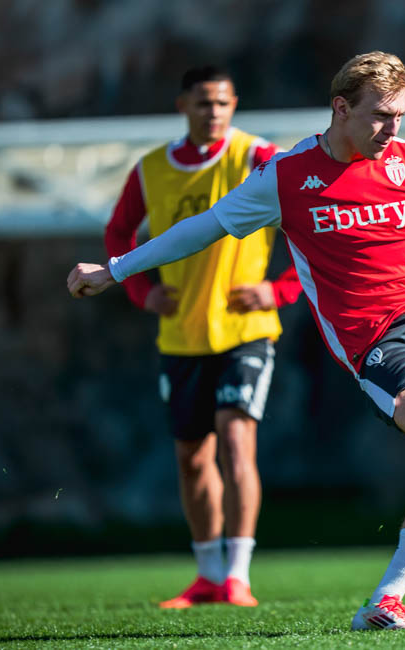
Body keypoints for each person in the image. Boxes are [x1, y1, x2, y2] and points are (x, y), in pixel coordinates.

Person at [68, 51, 405, 631]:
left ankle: (385, 602)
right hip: (374, 334)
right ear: (341, 108)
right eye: (381, 116)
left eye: (400, 115)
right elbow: (203, 228)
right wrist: (115, 270)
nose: (392, 129)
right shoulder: (285, 176)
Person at [104, 65, 302, 609]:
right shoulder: (151, 168)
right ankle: (208, 575)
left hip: (244, 330)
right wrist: (142, 292)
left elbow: (308, 216)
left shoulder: (257, 156)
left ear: (233, 105)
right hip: (182, 336)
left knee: (236, 442)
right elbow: (118, 232)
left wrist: (280, 288)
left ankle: (238, 575)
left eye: (221, 102)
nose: (212, 112)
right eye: (202, 103)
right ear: (182, 106)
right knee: (192, 457)